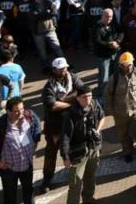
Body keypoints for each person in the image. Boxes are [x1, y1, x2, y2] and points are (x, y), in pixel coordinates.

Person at [0, 97, 42, 204]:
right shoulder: (1, 125)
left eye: (22, 109)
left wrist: (35, 141)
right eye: (16, 111)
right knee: (10, 197)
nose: (20, 113)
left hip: (27, 166)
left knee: (29, 193)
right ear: (8, 111)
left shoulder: (29, 116)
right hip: (9, 170)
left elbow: (37, 125)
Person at [39, 57, 83, 194]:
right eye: (61, 68)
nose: (65, 70)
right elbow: (53, 105)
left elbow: (83, 91)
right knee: (51, 153)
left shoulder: (73, 77)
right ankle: (47, 179)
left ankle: (75, 176)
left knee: (73, 150)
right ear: (54, 70)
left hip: (71, 124)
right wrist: (71, 103)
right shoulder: (48, 87)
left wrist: (65, 101)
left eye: (65, 67)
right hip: (54, 127)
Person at [61, 85, 104, 204]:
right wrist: (65, 156)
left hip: (93, 148)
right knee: (75, 183)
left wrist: (98, 130)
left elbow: (102, 117)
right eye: (84, 97)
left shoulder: (95, 105)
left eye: (90, 96)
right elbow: (65, 137)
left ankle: (88, 199)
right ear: (78, 98)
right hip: (78, 153)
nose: (88, 99)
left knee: (91, 177)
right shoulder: (71, 114)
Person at [103, 51, 136, 163]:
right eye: (125, 65)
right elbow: (107, 94)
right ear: (120, 65)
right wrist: (110, 110)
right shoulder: (114, 78)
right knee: (123, 134)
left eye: (129, 65)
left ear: (132, 63)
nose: (127, 67)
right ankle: (127, 152)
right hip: (120, 112)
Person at [91, 8, 122, 88]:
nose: (109, 19)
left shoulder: (114, 24)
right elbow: (97, 41)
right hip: (103, 55)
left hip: (115, 53)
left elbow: (121, 33)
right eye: (107, 17)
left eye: (111, 17)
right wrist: (109, 44)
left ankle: (112, 89)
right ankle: (102, 93)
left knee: (115, 72)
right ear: (102, 16)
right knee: (103, 75)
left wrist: (117, 41)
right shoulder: (96, 26)